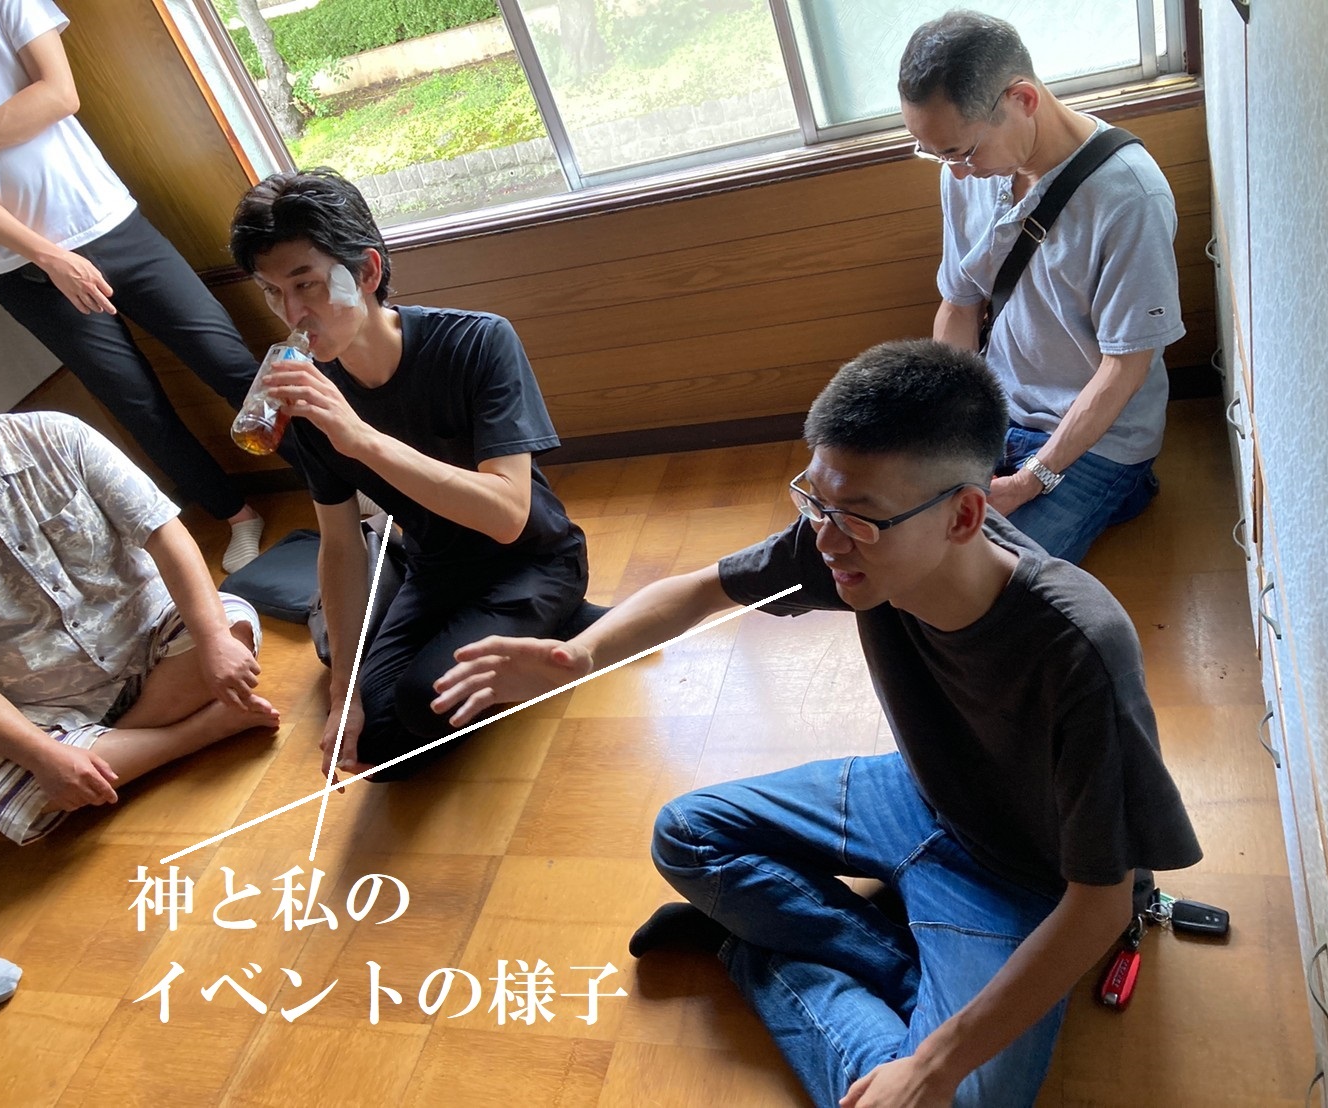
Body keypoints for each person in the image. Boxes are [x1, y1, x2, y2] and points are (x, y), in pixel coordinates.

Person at [432, 339, 1202, 1107]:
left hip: (1024, 876)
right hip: (920, 796)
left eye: (857, 518)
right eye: (816, 501)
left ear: (964, 515)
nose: (826, 541)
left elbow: (1100, 906)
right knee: (685, 834)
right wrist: (580, 654)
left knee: (955, 1097)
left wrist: (933, 1067)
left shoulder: (1078, 647)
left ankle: (760, 955)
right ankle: (904, 974)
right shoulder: (856, 536)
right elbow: (701, 589)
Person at [228, 168, 588, 784]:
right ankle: (512, 636)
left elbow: (509, 516)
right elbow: (340, 545)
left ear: (367, 271)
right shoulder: (310, 398)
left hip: (532, 561)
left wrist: (362, 439)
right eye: (271, 292)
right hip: (435, 567)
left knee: (424, 703)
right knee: (373, 744)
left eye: (306, 284)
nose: (292, 313)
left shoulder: (477, 342)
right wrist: (342, 692)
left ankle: (568, 625)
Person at [0, 0, 294, 572]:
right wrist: (49, 256)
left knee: (231, 365)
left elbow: (58, 94)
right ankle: (236, 515)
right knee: (138, 406)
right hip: (19, 267)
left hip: (108, 222)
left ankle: (343, 482)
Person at [0, 348, 279, 844]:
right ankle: (194, 732)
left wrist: (212, 640)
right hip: (44, 704)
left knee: (230, 624)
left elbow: (162, 531)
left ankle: (113, 750)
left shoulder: (54, 435)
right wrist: (43, 755)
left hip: (150, 636)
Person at [902, 10, 1185, 564]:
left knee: (985, 574)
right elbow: (959, 305)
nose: (954, 171)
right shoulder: (964, 171)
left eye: (961, 151)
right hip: (998, 407)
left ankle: (1121, 490)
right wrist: (953, 424)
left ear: (1022, 99)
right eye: (934, 153)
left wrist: (1030, 479)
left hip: (1096, 441)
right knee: (886, 518)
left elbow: (1124, 368)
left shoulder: (1130, 198)